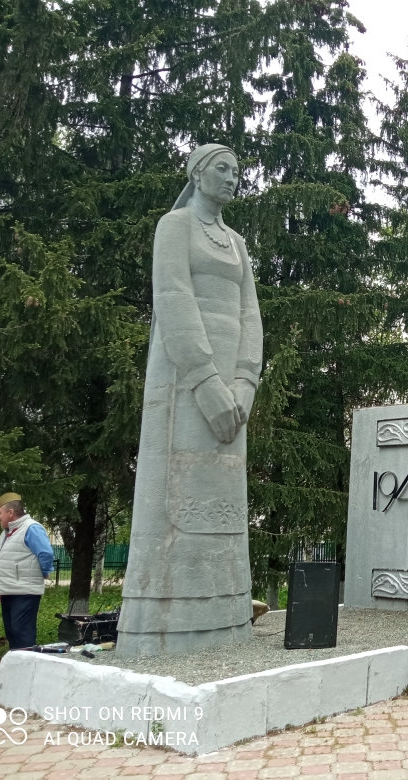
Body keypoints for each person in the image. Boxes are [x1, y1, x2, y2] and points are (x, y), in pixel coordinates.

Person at [118, 143, 262, 656]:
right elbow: (173, 298)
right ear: (197, 174)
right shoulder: (174, 226)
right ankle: (164, 626)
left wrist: (243, 383)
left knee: (223, 501)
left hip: (233, 394)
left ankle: (226, 618)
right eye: (222, 169)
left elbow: (250, 316)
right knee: (173, 500)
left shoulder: (237, 243)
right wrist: (206, 382)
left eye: (237, 171)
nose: (232, 178)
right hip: (185, 384)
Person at [0, 493, 54, 650]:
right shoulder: (6, 532)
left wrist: (44, 571)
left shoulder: (31, 528)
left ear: (10, 512)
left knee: (22, 632)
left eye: (0, 513)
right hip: (9, 590)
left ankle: (29, 663)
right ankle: (17, 663)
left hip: (25, 591)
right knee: (12, 632)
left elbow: (46, 553)